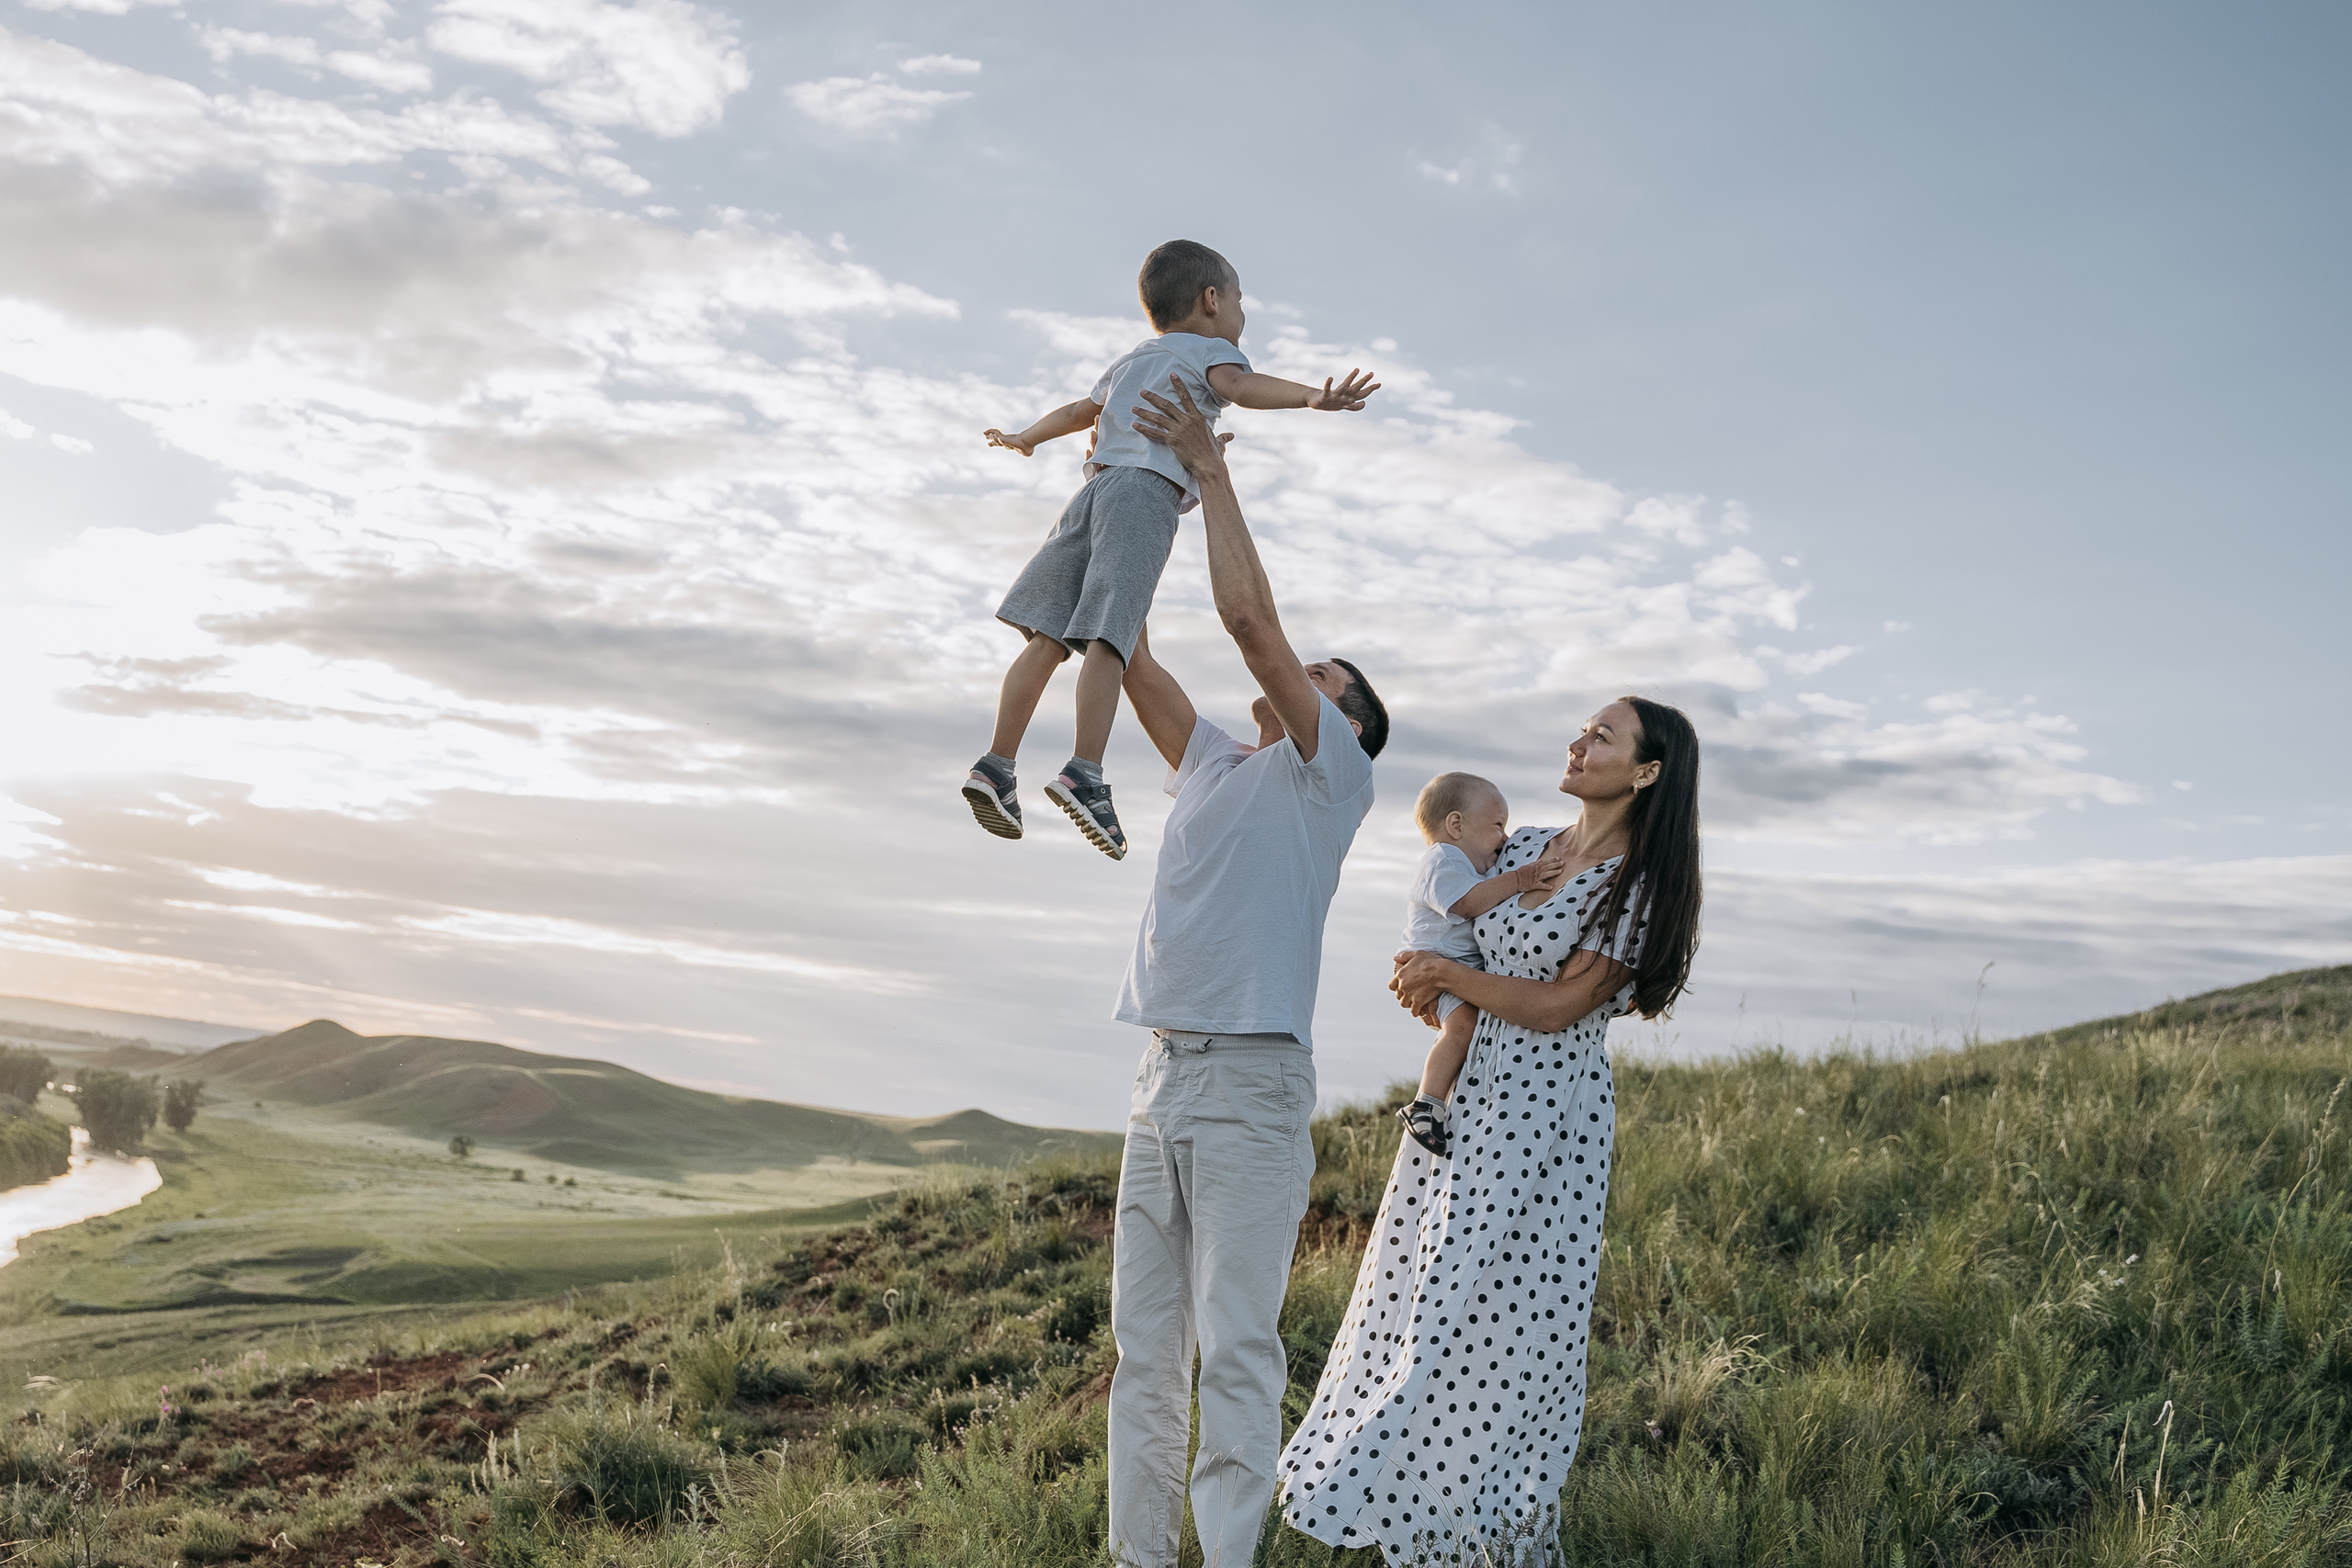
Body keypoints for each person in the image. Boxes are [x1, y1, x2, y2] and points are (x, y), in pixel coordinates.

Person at [1280, 695, 1704, 1566]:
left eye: (1603, 736)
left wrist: (1451, 979)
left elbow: (1557, 1005)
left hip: (1546, 1120)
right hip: (1464, 1099)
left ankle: (1485, 1531)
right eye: (1583, 728)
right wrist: (1426, 978)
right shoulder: (1523, 844)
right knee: (1421, 1293)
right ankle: (1398, 1508)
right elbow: (1451, 935)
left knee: (1505, 1323)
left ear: (1647, 771)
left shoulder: (1636, 888)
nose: (1579, 742)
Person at [1104, 376, 1387, 1568]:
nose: (1296, 677)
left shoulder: (1331, 779)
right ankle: (1136, 1554)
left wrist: (1212, 470)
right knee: (1143, 1350)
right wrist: (1123, 511)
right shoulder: (1219, 763)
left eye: (1323, 678)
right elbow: (1135, 659)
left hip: (1251, 1093)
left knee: (1235, 1348)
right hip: (1161, 1079)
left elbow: (1248, 623)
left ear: (1348, 723)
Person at [964, 238, 1379, 860]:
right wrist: (1310, 398)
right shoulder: (1215, 351)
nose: (1241, 316)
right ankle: (1085, 770)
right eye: (1240, 301)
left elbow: (1083, 410)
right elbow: (1242, 386)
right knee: (1111, 633)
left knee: (1050, 637)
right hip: (1139, 499)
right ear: (1211, 301)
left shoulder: (1134, 358)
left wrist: (1028, 437)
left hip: (1092, 494)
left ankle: (996, 764)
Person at [1394, 773, 1566, 1159]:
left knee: (1464, 1032)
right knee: (1462, 1029)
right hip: (1439, 964)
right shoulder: (1443, 860)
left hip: (1453, 967)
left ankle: (1441, 1101)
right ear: (1456, 825)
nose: (1504, 839)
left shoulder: (1471, 866)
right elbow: (1468, 904)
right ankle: (1426, 1104)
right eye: (1497, 825)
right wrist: (1521, 878)